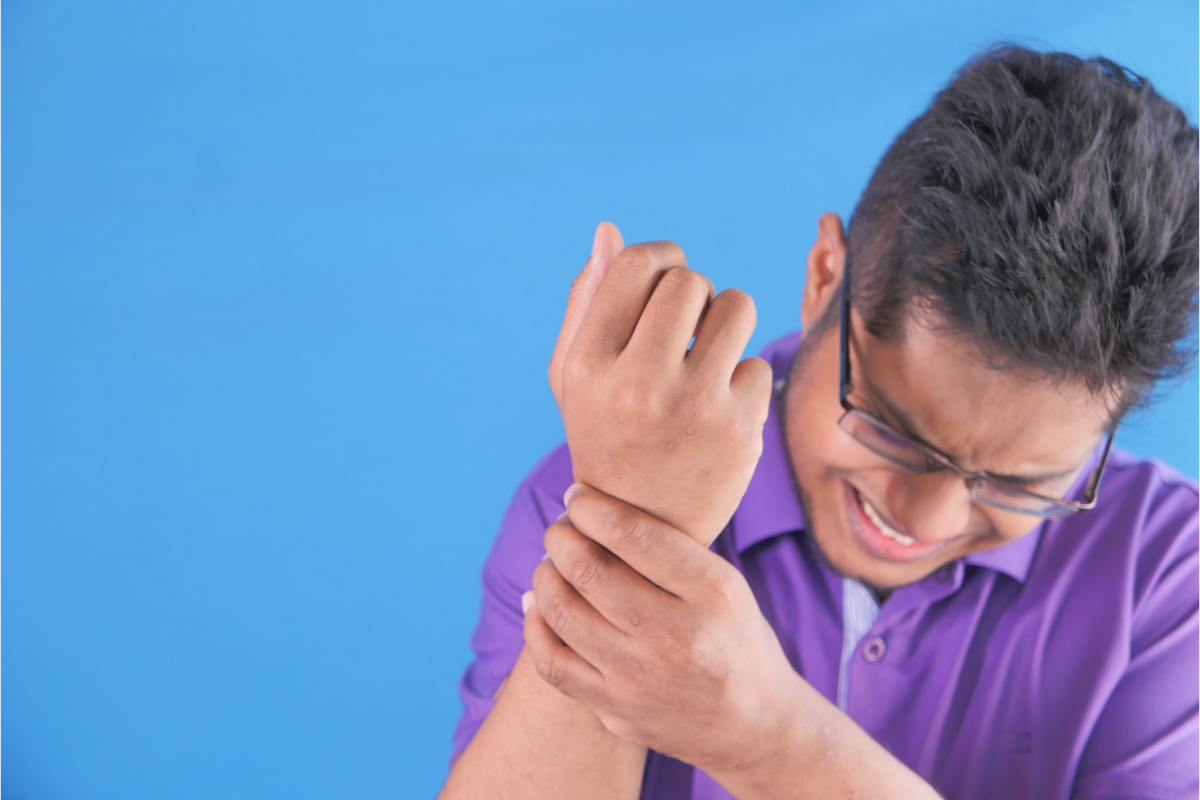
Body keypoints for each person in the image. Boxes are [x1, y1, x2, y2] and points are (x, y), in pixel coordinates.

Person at [439, 46, 1199, 799]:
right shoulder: (588, 496)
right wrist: (626, 536)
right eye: (895, 430)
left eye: (1019, 482)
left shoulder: (1168, 574)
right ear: (824, 275)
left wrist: (767, 740)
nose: (925, 518)